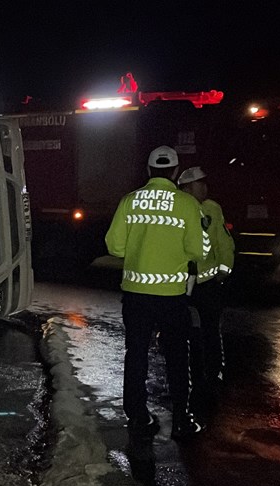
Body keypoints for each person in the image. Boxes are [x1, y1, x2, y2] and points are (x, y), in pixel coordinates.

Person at [104, 145, 210, 441]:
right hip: (172, 297)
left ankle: (138, 415)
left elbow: (114, 246)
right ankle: (181, 418)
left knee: (135, 354)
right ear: (176, 172)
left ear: (149, 171)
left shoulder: (130, 201)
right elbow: (199, 251)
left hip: (136, 296)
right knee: (177, 356)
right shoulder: (188, 204)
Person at [178, 166, 235, 416]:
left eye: (204, 182)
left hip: (208, 285)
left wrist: (225, 269)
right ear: (187, 188)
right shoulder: (178, 208)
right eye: (199, 184)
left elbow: (223, 242)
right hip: (183, 286)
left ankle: (213, 371)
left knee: (211, 329)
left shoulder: (212, 208)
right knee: (186, 332)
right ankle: (191, 374)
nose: (204, 187)